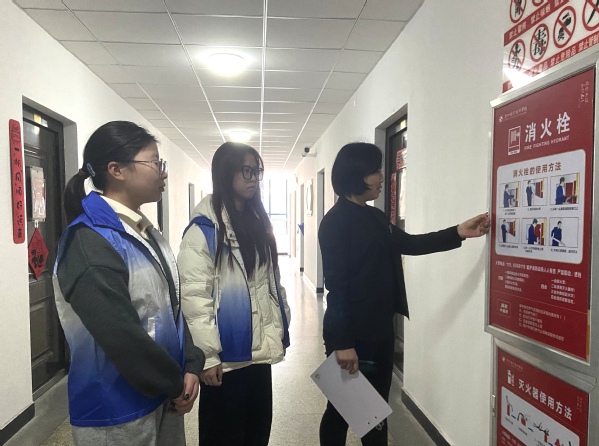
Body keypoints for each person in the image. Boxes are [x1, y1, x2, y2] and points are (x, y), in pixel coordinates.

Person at [318, 143, 489, 446]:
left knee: (375, 412)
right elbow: (337, 286)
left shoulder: (375, 217)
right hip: (352, 335)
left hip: (380, 329)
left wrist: (458, 232)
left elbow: (409, 243)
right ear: (356, 174)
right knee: (342, 410)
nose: (381, 178)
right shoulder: (335, 223)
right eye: (375, 171)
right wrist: (343, 344)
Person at [53, 121, 204, 446]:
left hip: (163, 396)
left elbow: (171, 306)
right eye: (155, 163)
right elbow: (120, 335)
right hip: (116, 410)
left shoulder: (145, 232)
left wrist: (191, 363)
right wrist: (174, 382)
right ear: (117, 170)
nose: (163, 173)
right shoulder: (89, 241)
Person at [178, 142, 290, 446]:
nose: (254, 178)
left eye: (257, 171)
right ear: (226, 173)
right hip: (225, 360)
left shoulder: (257, 224)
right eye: (247, 171)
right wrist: (207, 356)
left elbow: (271, 284)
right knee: (223, 437)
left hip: (258, 354)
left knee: (257, 433)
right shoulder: (203, 230)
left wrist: (282, 325)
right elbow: (194, 297)